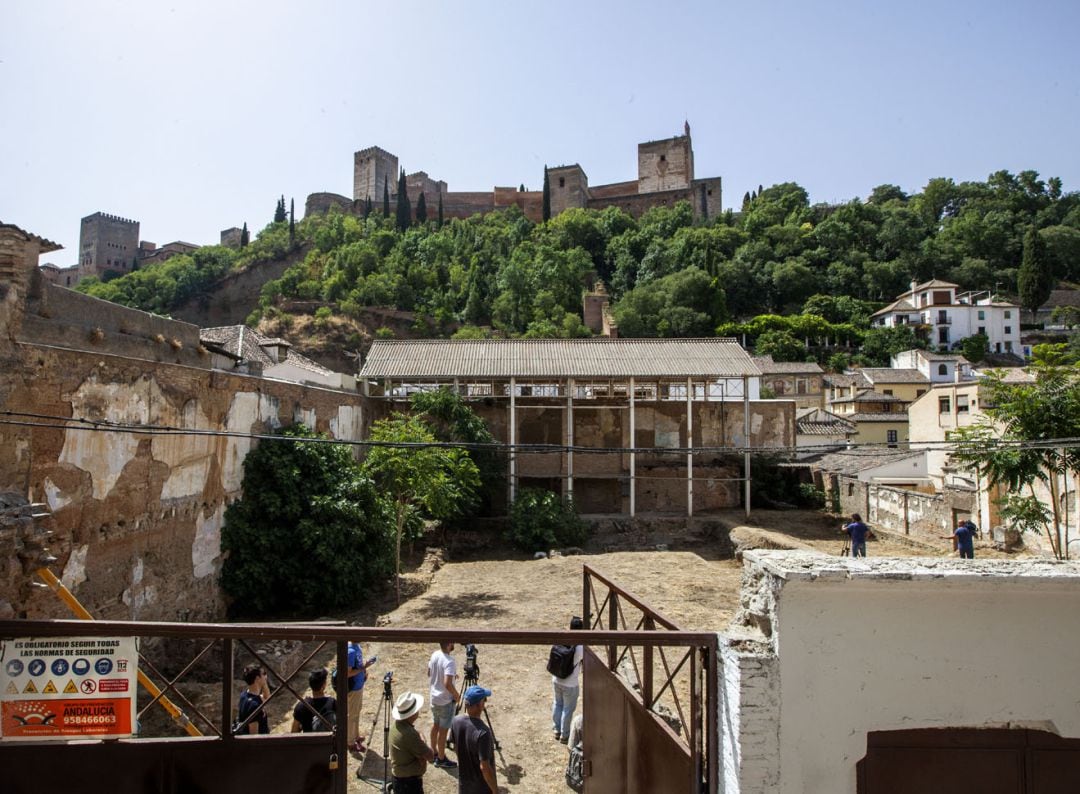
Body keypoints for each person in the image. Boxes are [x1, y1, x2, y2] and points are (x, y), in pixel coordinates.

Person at [450, 686, 497, 794]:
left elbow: (456, 748)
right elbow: (484, 767)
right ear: (479, 705)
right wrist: (495, 791)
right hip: (481, 788)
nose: (485, 703)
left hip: (465, 784)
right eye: (484, 700)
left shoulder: (456, 721)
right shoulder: (483, 732)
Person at [389, 691, 435, 794]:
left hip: (401, 780)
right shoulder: (409, 734)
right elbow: (430, 756)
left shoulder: (397, 725)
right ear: (413, 713)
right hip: (409, 783)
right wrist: (423, 741)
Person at [551, 616, 584, 744]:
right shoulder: (580, 647)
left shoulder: (562, 638)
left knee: (557, 704)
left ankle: (556, 729)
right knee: (568, 709)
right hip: (570, 683)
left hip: (556, 678)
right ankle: (565, 735)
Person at [428, 641, 461, 769]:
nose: (454, 644)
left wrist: (451, 675)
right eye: (452, 642)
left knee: (435, 725)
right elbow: (447, 684)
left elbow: (429, 672)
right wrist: (457, 696)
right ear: (448, 644)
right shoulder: (450, 661)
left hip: (434, 698)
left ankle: (433, 752)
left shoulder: (435, 654)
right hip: (445, 701)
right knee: (443, 731)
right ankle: (441, 759)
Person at [346, 641, 377, 753]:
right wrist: (363, 668)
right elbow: (347, 673)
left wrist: (364, 670)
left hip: (359, 685)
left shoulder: (357, 646)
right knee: (352, 715)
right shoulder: (350, 652)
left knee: (357, 712)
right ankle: (350, 742)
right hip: (353, 688)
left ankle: (356, 736)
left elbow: (358, 664)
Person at [291, 667, 336, 733]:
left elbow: (294, 731)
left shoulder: (301, 706)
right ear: (323, 686)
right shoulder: (332, 703)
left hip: (310, 742)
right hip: (329, 741)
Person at [236, 663, 270, 735]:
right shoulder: (255, 706)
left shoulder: (244, 695)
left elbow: (266, 698)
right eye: (264, 674)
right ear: (257, 678)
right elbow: (253, 736)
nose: (266, 676)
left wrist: (264, 682)